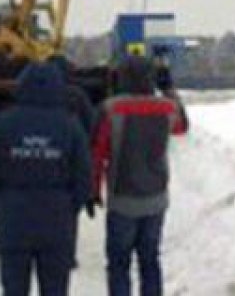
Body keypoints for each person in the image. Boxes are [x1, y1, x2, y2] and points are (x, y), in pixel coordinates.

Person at [0, 62, 91, 296]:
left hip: (13, 221)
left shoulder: (0, 123)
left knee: (14, 289)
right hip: (56, 222)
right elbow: (83, 175)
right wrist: (69, 206)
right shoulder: (70, 125)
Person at [91, 55, 188, 296]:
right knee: (150, 261)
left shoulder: (111, 109)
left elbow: (97, 154)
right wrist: (169, 89)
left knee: (119, 264)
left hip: (122, 198)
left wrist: (93, 190)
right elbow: (182, 126)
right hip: (156, 198)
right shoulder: (166, 108)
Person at [47, 53, 96, 269]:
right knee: (69, 210)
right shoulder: (76, 95)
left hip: (46, 158)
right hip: (72, 159)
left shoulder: (38, 94)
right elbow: (91, 124)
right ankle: (67, 255)